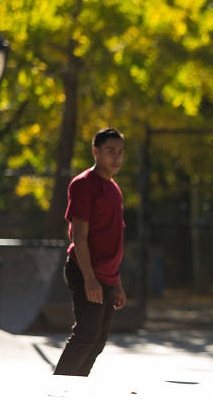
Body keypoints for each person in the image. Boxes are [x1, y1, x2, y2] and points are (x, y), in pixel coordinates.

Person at [54, 128, 127, 376]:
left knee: (97, 342)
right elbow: (79, 235)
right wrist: (89, 279)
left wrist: (116, 283)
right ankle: (54, 392)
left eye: (119, 152)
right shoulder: (84, 185)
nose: (116, 158)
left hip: (106, 277)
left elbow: (113, 238)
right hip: (86, 272)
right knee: (85, 336)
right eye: (110, 152)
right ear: (95, 152)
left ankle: (75, 390)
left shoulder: (114, 189)